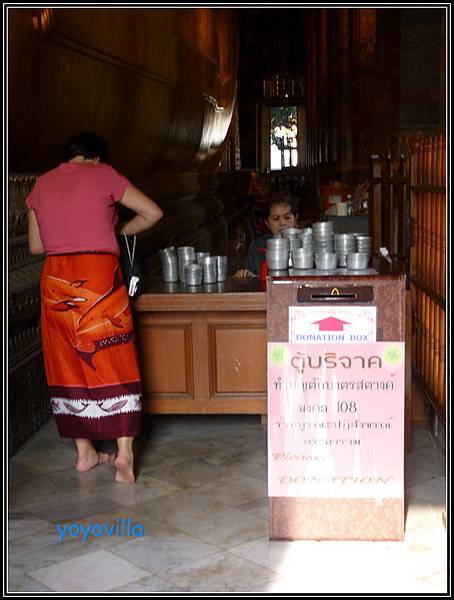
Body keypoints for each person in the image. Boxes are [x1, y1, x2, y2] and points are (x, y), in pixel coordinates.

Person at [26, 131, 163, 484]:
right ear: (98, 158)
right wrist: (118, 233)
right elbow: (152, 212)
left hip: (56, 281)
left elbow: (36, 246)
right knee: (114, 358)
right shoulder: (105, 175)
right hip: (98, 277)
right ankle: (125, 455)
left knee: (67, 363)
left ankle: (85, 454)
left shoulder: (41, 184)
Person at [235, 191, 298, 278]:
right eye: (276, 219)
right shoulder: (256, 247)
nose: (282, 223)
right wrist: (246, 275)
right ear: (267, 223)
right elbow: (251, 279)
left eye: (287, 217)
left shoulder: (306, 245)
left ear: (295, 219)